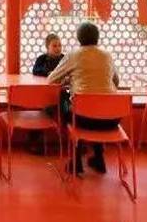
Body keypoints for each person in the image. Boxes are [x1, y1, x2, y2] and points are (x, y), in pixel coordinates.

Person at [48, 22, 119, 175]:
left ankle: (76, 159)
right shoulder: (107, 55)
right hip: (112, 120)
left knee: (65, 102)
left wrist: (69, 81)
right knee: (97, 107)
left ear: (79, 38)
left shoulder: (74, 55)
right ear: (97, 37)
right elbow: (116, 82)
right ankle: (99, 158)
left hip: (82, 119)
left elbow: (51, 80)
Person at [26, 34, 65, 154]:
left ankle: (75, 144)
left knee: (70, 110)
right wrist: (49, 73)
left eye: (59, 45)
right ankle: (34, 142)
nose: (58, 48)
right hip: (44, 96)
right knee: (42, 112)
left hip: (62, 95)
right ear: (47, 47)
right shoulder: (42, 59)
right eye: (54, 46)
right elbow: (35, 71)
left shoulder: (65, 59)